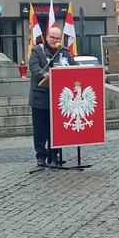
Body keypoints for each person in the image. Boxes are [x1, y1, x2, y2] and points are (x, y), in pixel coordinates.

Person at [28, 27, 77, 167]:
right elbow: (34, 67)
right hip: (40, 98)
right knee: (40, 129)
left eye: (57, 38)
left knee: (56, 129)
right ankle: (41, 155)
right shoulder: (38, 50)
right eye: (52, 37)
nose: (55, 40)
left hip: (58, 98)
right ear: (47, 36)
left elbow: (74, 66)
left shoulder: (64, 52)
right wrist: (44, 74)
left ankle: (54, 154)